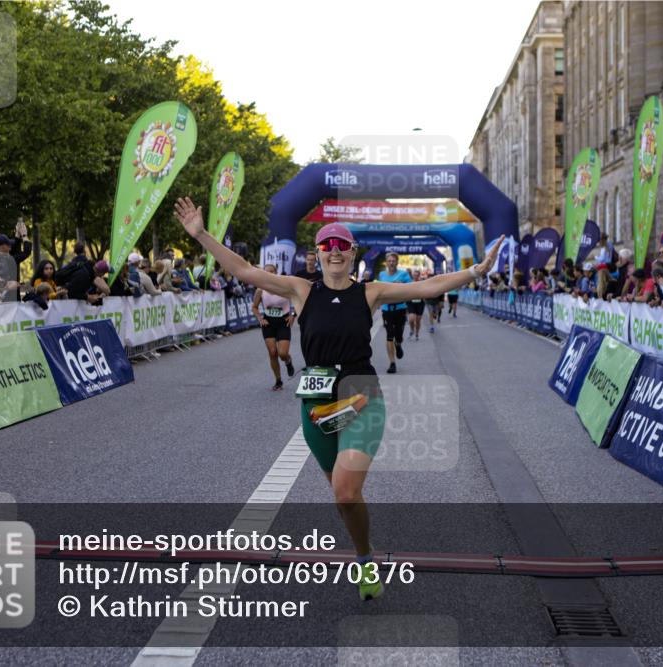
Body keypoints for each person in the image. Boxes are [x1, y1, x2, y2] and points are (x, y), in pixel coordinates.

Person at [173, 196, 502, 601]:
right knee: (344, 498)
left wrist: (475, 270)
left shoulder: (370, 292)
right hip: (317, 405)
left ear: (352, 252)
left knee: (346, 491)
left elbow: (427, 285)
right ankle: (365, 551)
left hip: (361, 396)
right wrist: (201, 235)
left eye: (341, 245)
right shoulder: (300, 290)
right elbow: (243, 269)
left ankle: (364, 563)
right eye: (326, 245)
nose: (334, 251)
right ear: (318, 252)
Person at [252, 264, 297, 390]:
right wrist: (260, 318)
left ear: (276, 272)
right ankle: (278, 381)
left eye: (272, 271)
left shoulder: (284, 287)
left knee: (282, 353)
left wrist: (293, 315)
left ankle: (288, 361)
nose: (270, 274)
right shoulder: (260, 289)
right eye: (267, 272)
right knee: (272, 353)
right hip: (268, 323)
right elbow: (254, 307)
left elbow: (297, 300)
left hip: (283, 322)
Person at [376, 252, 411, 373]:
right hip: (387, 309)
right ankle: (392, 363)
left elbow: (411, 288)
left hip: (400, 308)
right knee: (389, 335)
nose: (391, 263)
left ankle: (398, 344)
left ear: (397, 262)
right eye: (389, 261)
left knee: (399, 335)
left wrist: (401, 285)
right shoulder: (382, 275)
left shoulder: (404, 274)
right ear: (386, 263)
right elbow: (379, 290)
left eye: (393, 261)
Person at [405, 269, 425, 340]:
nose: (415, 276)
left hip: (420, 303)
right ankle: (412, 330)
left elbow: (425, 291)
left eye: (417, 275)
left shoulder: (422, 283)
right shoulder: (409, 282)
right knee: (411, 319)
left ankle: (417, 333)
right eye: (414, 275)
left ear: (419, 276)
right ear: (412, 275)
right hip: (411, 303)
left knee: (418, 320)